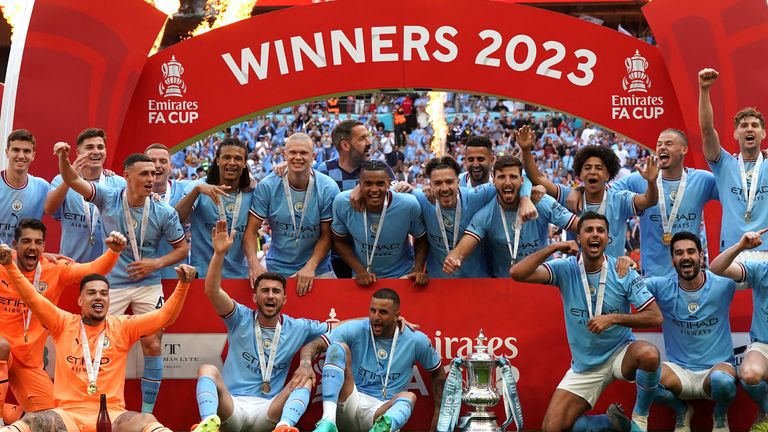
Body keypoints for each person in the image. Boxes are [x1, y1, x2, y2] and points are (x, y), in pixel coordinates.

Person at [0, 243, 196, 432]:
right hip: (68, 416)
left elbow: (164, 317)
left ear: (109, 300)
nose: (98, 297)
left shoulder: (123, 327)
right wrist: (9, 265)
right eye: (91, 293)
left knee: (146, 420)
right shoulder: (62, 323)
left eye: (104, 293)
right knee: (35, 420)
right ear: (80, 300)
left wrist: (183, 286)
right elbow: (33, 298)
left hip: (112, 415)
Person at [55, 143, 187, 415]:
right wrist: (63, 158)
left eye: (153, 173)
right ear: (127, 176)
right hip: (111, 286)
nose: (152, 179)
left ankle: (148, 413)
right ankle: (94, 407)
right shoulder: (108, 196)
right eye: (144, 174)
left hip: (148, 286)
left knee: (152, 343)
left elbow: (183, 249)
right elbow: (71, 179)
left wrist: (156, 263)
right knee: (98, 347)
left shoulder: (164, 212)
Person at [510, 212, 663, 432]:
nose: (595, 235)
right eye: (588, 230)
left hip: (620, 352)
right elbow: (517, 273)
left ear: (608, 238)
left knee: (648, 354)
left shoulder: (622, 272)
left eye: (600, 230)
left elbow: (655, 316)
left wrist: (613, 318)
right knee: (552, 428)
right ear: (579, 238)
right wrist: (554, 248)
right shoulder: (566, 268)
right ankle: (610, 423)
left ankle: (640, 416)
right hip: (586, 366)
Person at [192, 220, 334, 432]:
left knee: (304, 379)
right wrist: (219, 254)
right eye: (264, 291)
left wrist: (373, 321)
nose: (270, 296)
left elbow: (339, 327)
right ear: (254, 297)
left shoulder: (299, 327)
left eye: (276, 291)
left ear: (284, 299)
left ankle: (284, 427)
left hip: (269, 411)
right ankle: (209, 425)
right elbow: (212, 290)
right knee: (207, 370)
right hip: (233, 407)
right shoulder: (239, 317)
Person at [0, 220, 124, 425]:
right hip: (2, 350)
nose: (32, 247)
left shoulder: (55, 270)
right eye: (26, 241)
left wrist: (114, 252)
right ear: (15, 244)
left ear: (44, 247)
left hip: (28, 362)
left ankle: (13, 415)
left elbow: (94, 269)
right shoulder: (3, 263)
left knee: (52, 421)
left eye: (38, 242)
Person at [565, 130, 718, 277]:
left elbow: (731, 192)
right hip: (651, 276)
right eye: (659, 144)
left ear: (684, 149)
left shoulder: (702, 180)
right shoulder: (637, 179)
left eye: (669, 143)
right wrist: (578, 190)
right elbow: (601, 190)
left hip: (688, 273)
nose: (662, 147)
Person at [300, 288, 446, 432]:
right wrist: (305, 365)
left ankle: (380, 429)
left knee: (409, 397)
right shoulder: (357, 328)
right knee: (337, 348)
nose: (376, 317)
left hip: (381, 411)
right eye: (373, 310)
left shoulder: (415, 340)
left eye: (383, 312)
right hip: (351, 400)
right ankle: (328, 421)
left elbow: (438, 373)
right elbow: (314, 345)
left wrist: (439, 414)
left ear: (397, 316)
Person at [641, 231, 736, 432]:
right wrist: (624, 265)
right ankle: (682, 410)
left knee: (724, 383)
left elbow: (756, 279)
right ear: (673, 259)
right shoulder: (660, 286)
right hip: (680, 372)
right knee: (646, 380)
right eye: (679, 253)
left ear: (701, 256)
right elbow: (628, 284)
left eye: (691, 251)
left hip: (716, 370)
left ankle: (719, 414)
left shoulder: (724, 283)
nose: (685, 257)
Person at [520, 125, 659, 258]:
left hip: (612, 276)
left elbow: (649, 200)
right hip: (577, 276)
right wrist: (526, 150)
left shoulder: (620, 199)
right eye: (587, 168)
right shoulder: (568, 196)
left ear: (607, 174)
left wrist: (652, 182)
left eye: (598, 168)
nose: (592, 171)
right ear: (580, 174)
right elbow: (538, 178)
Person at [444, 155, 578, 278]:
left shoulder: (541, 202)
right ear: (494, 180)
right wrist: (453, 259)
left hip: (540, 282)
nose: (507, 183)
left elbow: (579, 225)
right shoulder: (485, 214)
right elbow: (461, 250)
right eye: (501, 177)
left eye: (513, 177)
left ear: (521, 180)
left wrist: (580, 190)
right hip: (504, 287)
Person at [244, 133, 339, 294]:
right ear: (284, 155)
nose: (298, 157)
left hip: (317, 268)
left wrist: (311, 266)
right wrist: (254, 263)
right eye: (293, 152)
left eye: (303, 153)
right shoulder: (268, 186)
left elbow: (327, 235)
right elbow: (251, 230)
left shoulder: (328, 187)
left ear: (313, 156)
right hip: (277, 267)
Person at [698, 68, 768, 258]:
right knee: (722, 284)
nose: (749, 129)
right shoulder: (724, 164)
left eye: (755, 125)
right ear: (735, 134)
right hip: (732, 250)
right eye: (743, 126)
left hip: (767, 248)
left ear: (763, 134)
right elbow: (706, 130)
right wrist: (704, 90)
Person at [331, 161, 428, 286]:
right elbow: (338, 241)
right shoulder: (342, 203)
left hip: (402, 276)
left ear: (389, 182)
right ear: (359, 184)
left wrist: (418, 269)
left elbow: (421, 238)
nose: (374, 189)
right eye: (368, 184)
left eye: (380, 183)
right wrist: (359, 270)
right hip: (362, 278)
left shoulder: (408, 204)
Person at [708, 228, 768, 431]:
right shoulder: (762, 268)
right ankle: (767, 411)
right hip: (764, 346)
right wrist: (740, 246)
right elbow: (716, 268)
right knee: (749, 374)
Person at [45, 128, 126, 262]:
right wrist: (70, 177)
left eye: (100, 147)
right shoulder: (61, 180)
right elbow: (49, 209)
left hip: (106, 269)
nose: (96, 151)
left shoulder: (119, 183)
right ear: (78, 153)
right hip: (70, 265)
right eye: (89, 147)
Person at [175, 137, 252, 279]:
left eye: (238, 158)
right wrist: (196, 191)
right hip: (203, 275)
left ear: (245, 164)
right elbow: (177, 219)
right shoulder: (198, 187)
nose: (232, 163)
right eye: (226, 157)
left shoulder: (251, 192)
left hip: (238, 277)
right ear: (217, 160)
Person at [0, 130, 50, 245]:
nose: (21, 156)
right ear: (7, 153)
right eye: (16, 150)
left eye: (26, 151)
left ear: (33, 155)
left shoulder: (42, 188)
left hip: (25, 261)